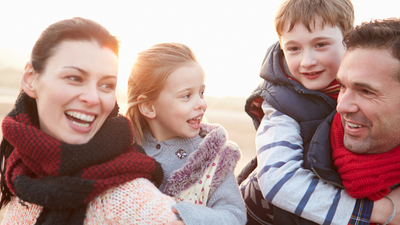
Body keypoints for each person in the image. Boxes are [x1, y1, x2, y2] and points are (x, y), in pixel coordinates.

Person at [0, 17, 178, 224]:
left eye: (106, 85)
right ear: (31, 78)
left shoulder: (132, 202)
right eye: (74, 78)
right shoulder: (23, 171)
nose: (93, 98)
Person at [243, 15, 400, 225]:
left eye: (366, 91)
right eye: (342, 86)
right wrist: (382, 211)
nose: (341, 106)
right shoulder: (299, 152)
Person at [237, 0, 356, 224]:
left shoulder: (365, 90)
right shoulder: (281, 106)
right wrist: (371, 211)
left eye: (320, 44)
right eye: (293, 49)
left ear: (348, 40)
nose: (307, 61)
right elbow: (278, 180)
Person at [125, 42, 247, 225]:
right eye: (186, 96)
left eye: (201, 93)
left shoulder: (213, 157)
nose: (200, 104)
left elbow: (234, 215)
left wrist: (185, 218)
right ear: (149, 106)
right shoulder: (125, 152)